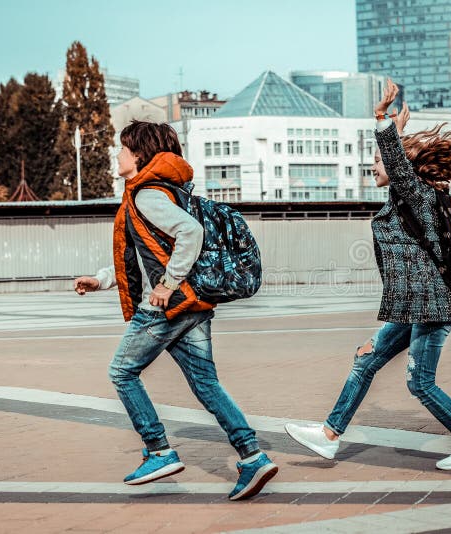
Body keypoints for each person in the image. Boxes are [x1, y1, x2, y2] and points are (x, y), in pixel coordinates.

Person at [285, 79, 451, 470]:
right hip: (413, 307)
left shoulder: (418, 197)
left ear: (403, 169)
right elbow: (399, 165)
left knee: (420, 383)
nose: (373, 166)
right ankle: (330, 436)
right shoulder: (407, 202)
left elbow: (399, 166)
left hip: (433, 307)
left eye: (379, 161)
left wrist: (382, 118)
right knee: (365, 360)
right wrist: (396, 133)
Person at [74, 120, 277, 500]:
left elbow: (190, 234)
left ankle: (158, 450)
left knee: (121, 372)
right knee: (206, 384)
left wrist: (168, 285)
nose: (116, 156)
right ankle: (252, 456)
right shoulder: (167, 190)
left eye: (121, 149)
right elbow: (148, 254)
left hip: (166, 307)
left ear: (137, 155)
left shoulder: (146, 195)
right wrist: (101, 280)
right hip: (192, 304)